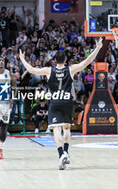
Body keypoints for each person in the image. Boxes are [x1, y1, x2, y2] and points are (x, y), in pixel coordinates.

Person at [19, 37, 103, 170]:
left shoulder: (49, 70)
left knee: (56, 129)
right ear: (65, 60)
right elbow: (88, 61)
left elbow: (30, 69)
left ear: (54, 60)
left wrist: (22, 58)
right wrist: (97, 48)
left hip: (55, 102)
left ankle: (60, 155)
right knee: (67, 128)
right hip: (67, 102)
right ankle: (66, 152)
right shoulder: (70, 69)